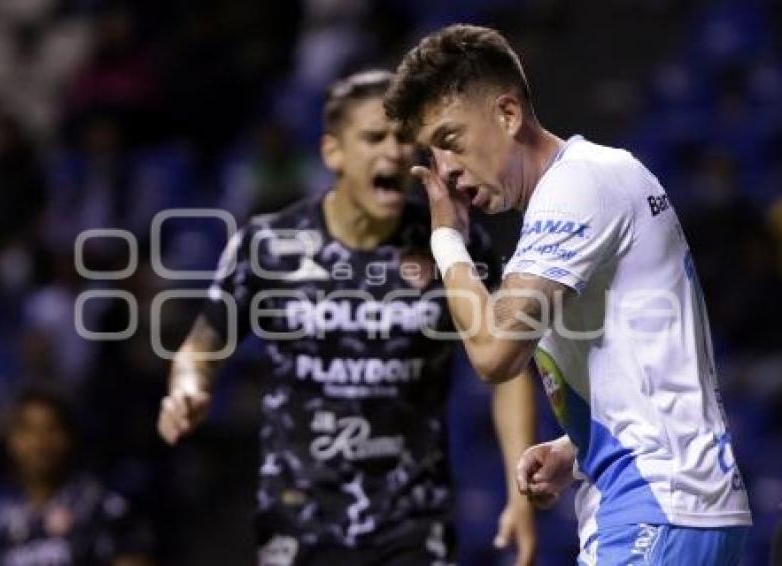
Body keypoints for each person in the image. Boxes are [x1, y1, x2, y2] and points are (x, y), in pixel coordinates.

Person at [384, 24, 752, 565]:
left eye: (450, 141)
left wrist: (447, 241)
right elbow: (651, 365)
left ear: (507, 114)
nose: (445, 173)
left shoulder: (574, 189)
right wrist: (577, 451)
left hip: (655, 510)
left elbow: (492, 354)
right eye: (431, 156)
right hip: (681, 504)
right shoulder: (597, 179)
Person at [157, 69, 538, 565]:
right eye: (375, 137)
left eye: (405, 138)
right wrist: (188, 387)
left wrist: (520, 492)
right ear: (332, 152)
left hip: (413, 524)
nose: (395, 152)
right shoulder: (268, 246)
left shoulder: (453, 243)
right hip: (298, 522)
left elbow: (507, 370)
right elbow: (200, 348)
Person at [0, 389, 154, 566]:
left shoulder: (103, 509)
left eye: (51, 429)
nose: (40, 443)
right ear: (12, 441)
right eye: (28, 430)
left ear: (70, 436)